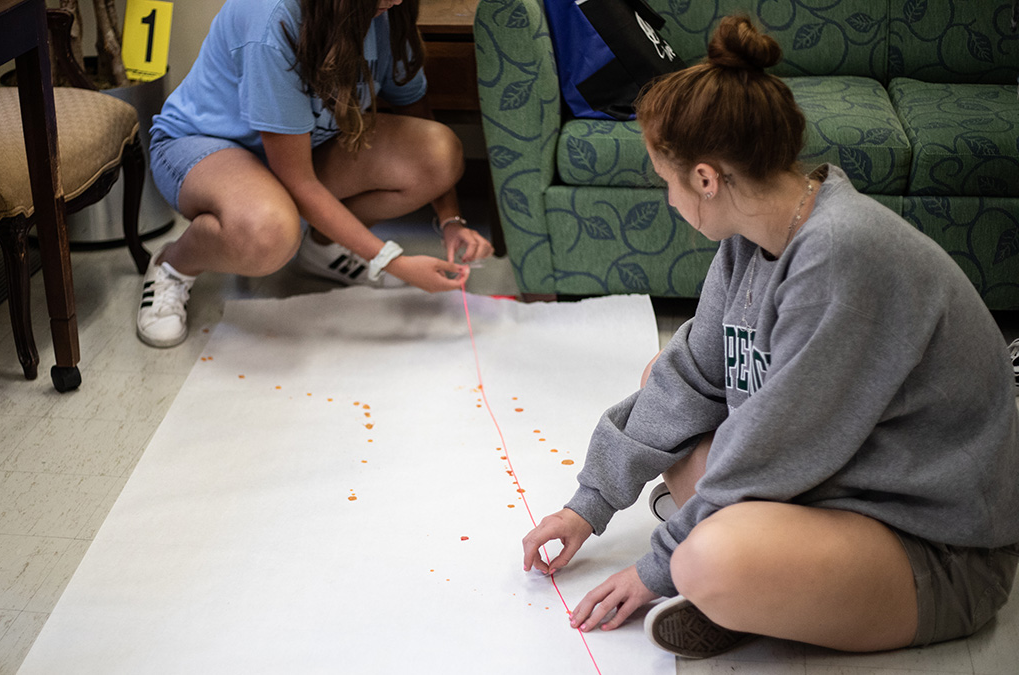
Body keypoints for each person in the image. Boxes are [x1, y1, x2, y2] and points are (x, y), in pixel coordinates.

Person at [521, 15, 1019, 660]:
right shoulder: (751, 243)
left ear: (706, 177)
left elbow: (780, 446)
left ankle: (753, 589)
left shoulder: (841, 254)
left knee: (707, 564)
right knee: (661, 380)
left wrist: (653, 571)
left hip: (937, 547)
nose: (668, 198)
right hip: (842, 488)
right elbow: (691, 379)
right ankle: (770, 584)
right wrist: (588, 506)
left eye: (665, 179)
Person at [138, 0, 493, 347]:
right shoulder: (271, 16)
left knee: (438, 153)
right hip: (203, 147)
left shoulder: (388, 11)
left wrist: (451, 220)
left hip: (298, 154)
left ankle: (323, 249)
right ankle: (173, 265)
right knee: (269, 233)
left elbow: (417, 116)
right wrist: (393, 261)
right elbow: (299, 181)